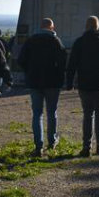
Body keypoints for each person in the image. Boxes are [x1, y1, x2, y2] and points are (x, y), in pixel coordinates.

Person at [65, 16, 99, 157]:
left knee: (87, 114)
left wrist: (69, 83)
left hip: (84, 84)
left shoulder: (79, 42)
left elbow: (71, 65)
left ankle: (86, 146)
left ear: (86, 26)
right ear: (97, 27)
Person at [17, 18, 67, 157]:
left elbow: (21, 60)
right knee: (52, 112)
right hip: (52, 83)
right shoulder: (56, 41)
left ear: (41, 27)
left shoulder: (31, 41)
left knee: (37, 114)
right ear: (51, 27)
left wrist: (30, 71)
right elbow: (63, 63)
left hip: (34, 82)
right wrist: (59, 76)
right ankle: (52, 141)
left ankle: (38, 146)